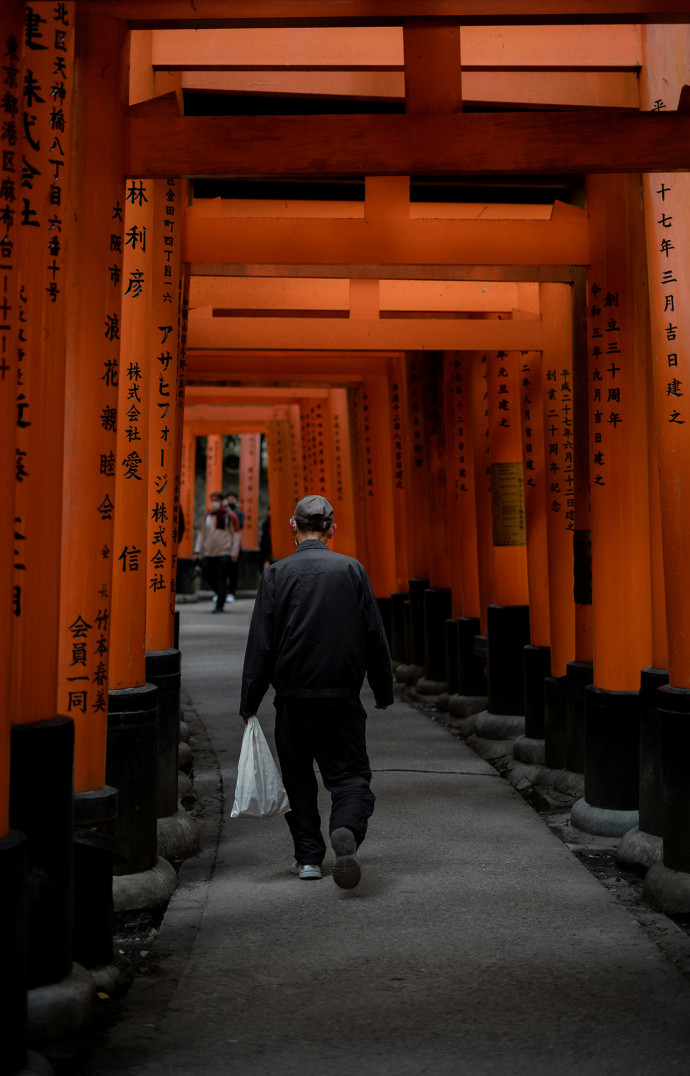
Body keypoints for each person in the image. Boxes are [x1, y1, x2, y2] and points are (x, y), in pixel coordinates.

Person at [239, 494, 394, 889]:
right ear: (331, 529)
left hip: (292, 699)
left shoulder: (276, 574)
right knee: (350, 776)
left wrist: (250, 700)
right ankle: (345, 829)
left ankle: (308, 858)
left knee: (297, 779)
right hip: (341, 696)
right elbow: (374, 636)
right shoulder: (352, 570)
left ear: (293, 526)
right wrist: (382, 688)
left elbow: (262, 643)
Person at [194, 492, 241, 613]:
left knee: (221, 578)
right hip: (209, 553)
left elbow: (236, 535)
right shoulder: (208, 516)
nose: (214, 502)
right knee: (208, 576)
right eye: (212, 500)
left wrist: (234, 553)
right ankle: (221, 593)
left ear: (221, 501)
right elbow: (201, 534)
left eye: (216, 500)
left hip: (224, 553)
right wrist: (197, 550)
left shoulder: (230, 516)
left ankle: (219, 605)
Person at [222, 494, 242, 602]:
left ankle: (231, 592)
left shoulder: (237, 514)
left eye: (232, 500)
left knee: (233, 571)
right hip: (223, 547)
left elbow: (239, 528)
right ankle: (222, 592)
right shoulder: (220, 514)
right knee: (223, 572)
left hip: (234, 546)